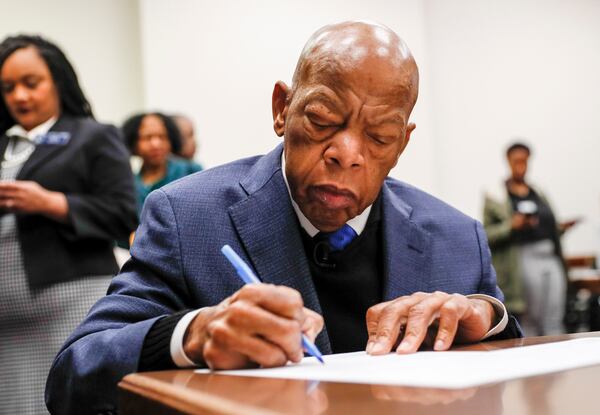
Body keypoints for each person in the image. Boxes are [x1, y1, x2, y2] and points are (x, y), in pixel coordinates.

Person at [46, 21, 521, 414]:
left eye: (378, 136)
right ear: (282, 108)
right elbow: (75, 374)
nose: (346, 154)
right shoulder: (188, 216)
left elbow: (509, 366)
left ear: (402, 143)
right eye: (322, 119)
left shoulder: (455, 236)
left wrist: (488, 315)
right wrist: (193, 335)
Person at [0, 35, 138, 413]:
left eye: (32, 83)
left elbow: (125, 215)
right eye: (9, 88)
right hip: (6, 325)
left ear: (58, 81)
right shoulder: (4, 144)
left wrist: (52, 202)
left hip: (68, 306)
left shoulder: (93, 137)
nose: (20, 97)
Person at [483, 142, 576, 336]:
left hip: (550, 256)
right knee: (531, 317)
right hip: (523, 258)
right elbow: (487, 234)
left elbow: (549, 224)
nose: (521, 166)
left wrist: (560, 228)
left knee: (555, 314)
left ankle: (560, 358)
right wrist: (512, 226)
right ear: (508, 161)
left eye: (525, 161)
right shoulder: (497, 196)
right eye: (517, 161)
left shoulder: (538, 192)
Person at [122, 112, 202, 216]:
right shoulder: (129, 184)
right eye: (147, 137)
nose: (156, 144)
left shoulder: (190, 171)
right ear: (133, 143)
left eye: (162, 137)